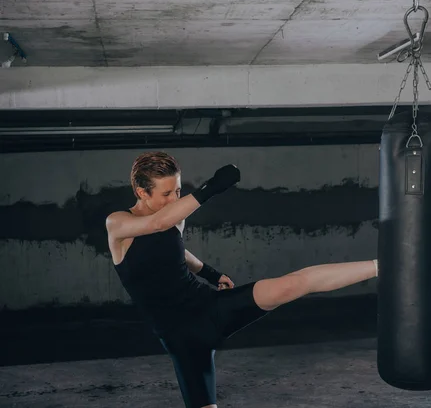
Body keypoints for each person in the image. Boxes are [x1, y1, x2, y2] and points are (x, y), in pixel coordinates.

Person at [105, 151, 378, 408]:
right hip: (181, 338)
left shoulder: (175, 217)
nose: (175, 199)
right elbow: (156, 225)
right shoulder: (118, 224)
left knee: (292, 285)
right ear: (142, 192)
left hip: (210, 307)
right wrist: (211, 187)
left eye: (178, 190)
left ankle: (382, 267)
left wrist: (212, 274)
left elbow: (175, 249)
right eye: (167, 193)